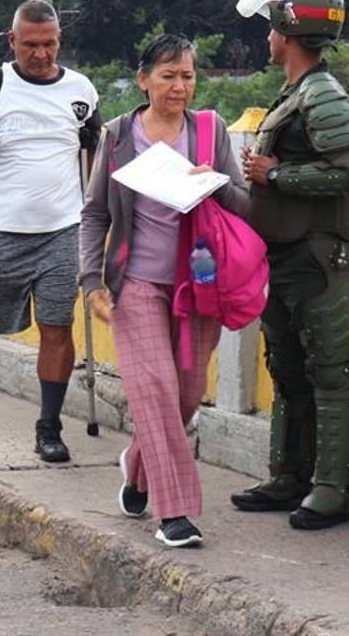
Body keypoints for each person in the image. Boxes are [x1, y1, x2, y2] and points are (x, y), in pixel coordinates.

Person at [79, 34, 249, 547]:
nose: (180, 87)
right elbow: (95, 214)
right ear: (143, 80)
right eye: (168, 76)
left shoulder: (210, 129)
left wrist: (215, 181)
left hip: (198, 284)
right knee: (152, 389)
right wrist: (91, 280)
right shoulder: (117, 136)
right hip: (136, 284)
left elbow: (243, 203)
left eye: (188, 76)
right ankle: (173, 513)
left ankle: (136, 464)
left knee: (186, 395)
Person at [230, 0, 349, 530]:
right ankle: (288, 474)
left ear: (287, 29)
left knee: (329, 370)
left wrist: (278, 174)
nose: (267, 35)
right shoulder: (294, 94)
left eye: (271, 25)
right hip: (283, 256)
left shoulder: (323, 94)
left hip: (317, 259)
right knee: (286, 366)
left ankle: (332, 488)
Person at [0, 0, 101, 463]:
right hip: (0, 229)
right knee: (9, 322)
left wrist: (94, 217)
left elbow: (93, 152)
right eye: (30, 44)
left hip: (63, 228)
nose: (40, 54)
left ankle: (49, 427)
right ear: (12, 41)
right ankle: (45, 417)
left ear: (60, 41)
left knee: (58, 325)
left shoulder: (81, 90)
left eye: (49, 44)